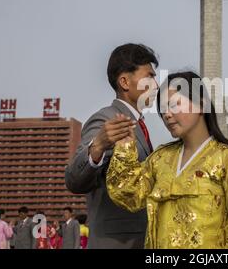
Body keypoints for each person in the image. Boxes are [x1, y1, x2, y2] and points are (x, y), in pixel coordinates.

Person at [106, 71, 228, 249]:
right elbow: (128, 195)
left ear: (201, 105)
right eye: (163, 109)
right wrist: (125, 148)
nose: (167, 115)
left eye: (174, 105)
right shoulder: (160, 158)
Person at [65, 43, 159, 249]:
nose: (156, 85)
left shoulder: (138, 124)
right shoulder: (105, 120)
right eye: (150, 76)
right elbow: (73, 180)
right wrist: (97, 146)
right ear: (125, 81)